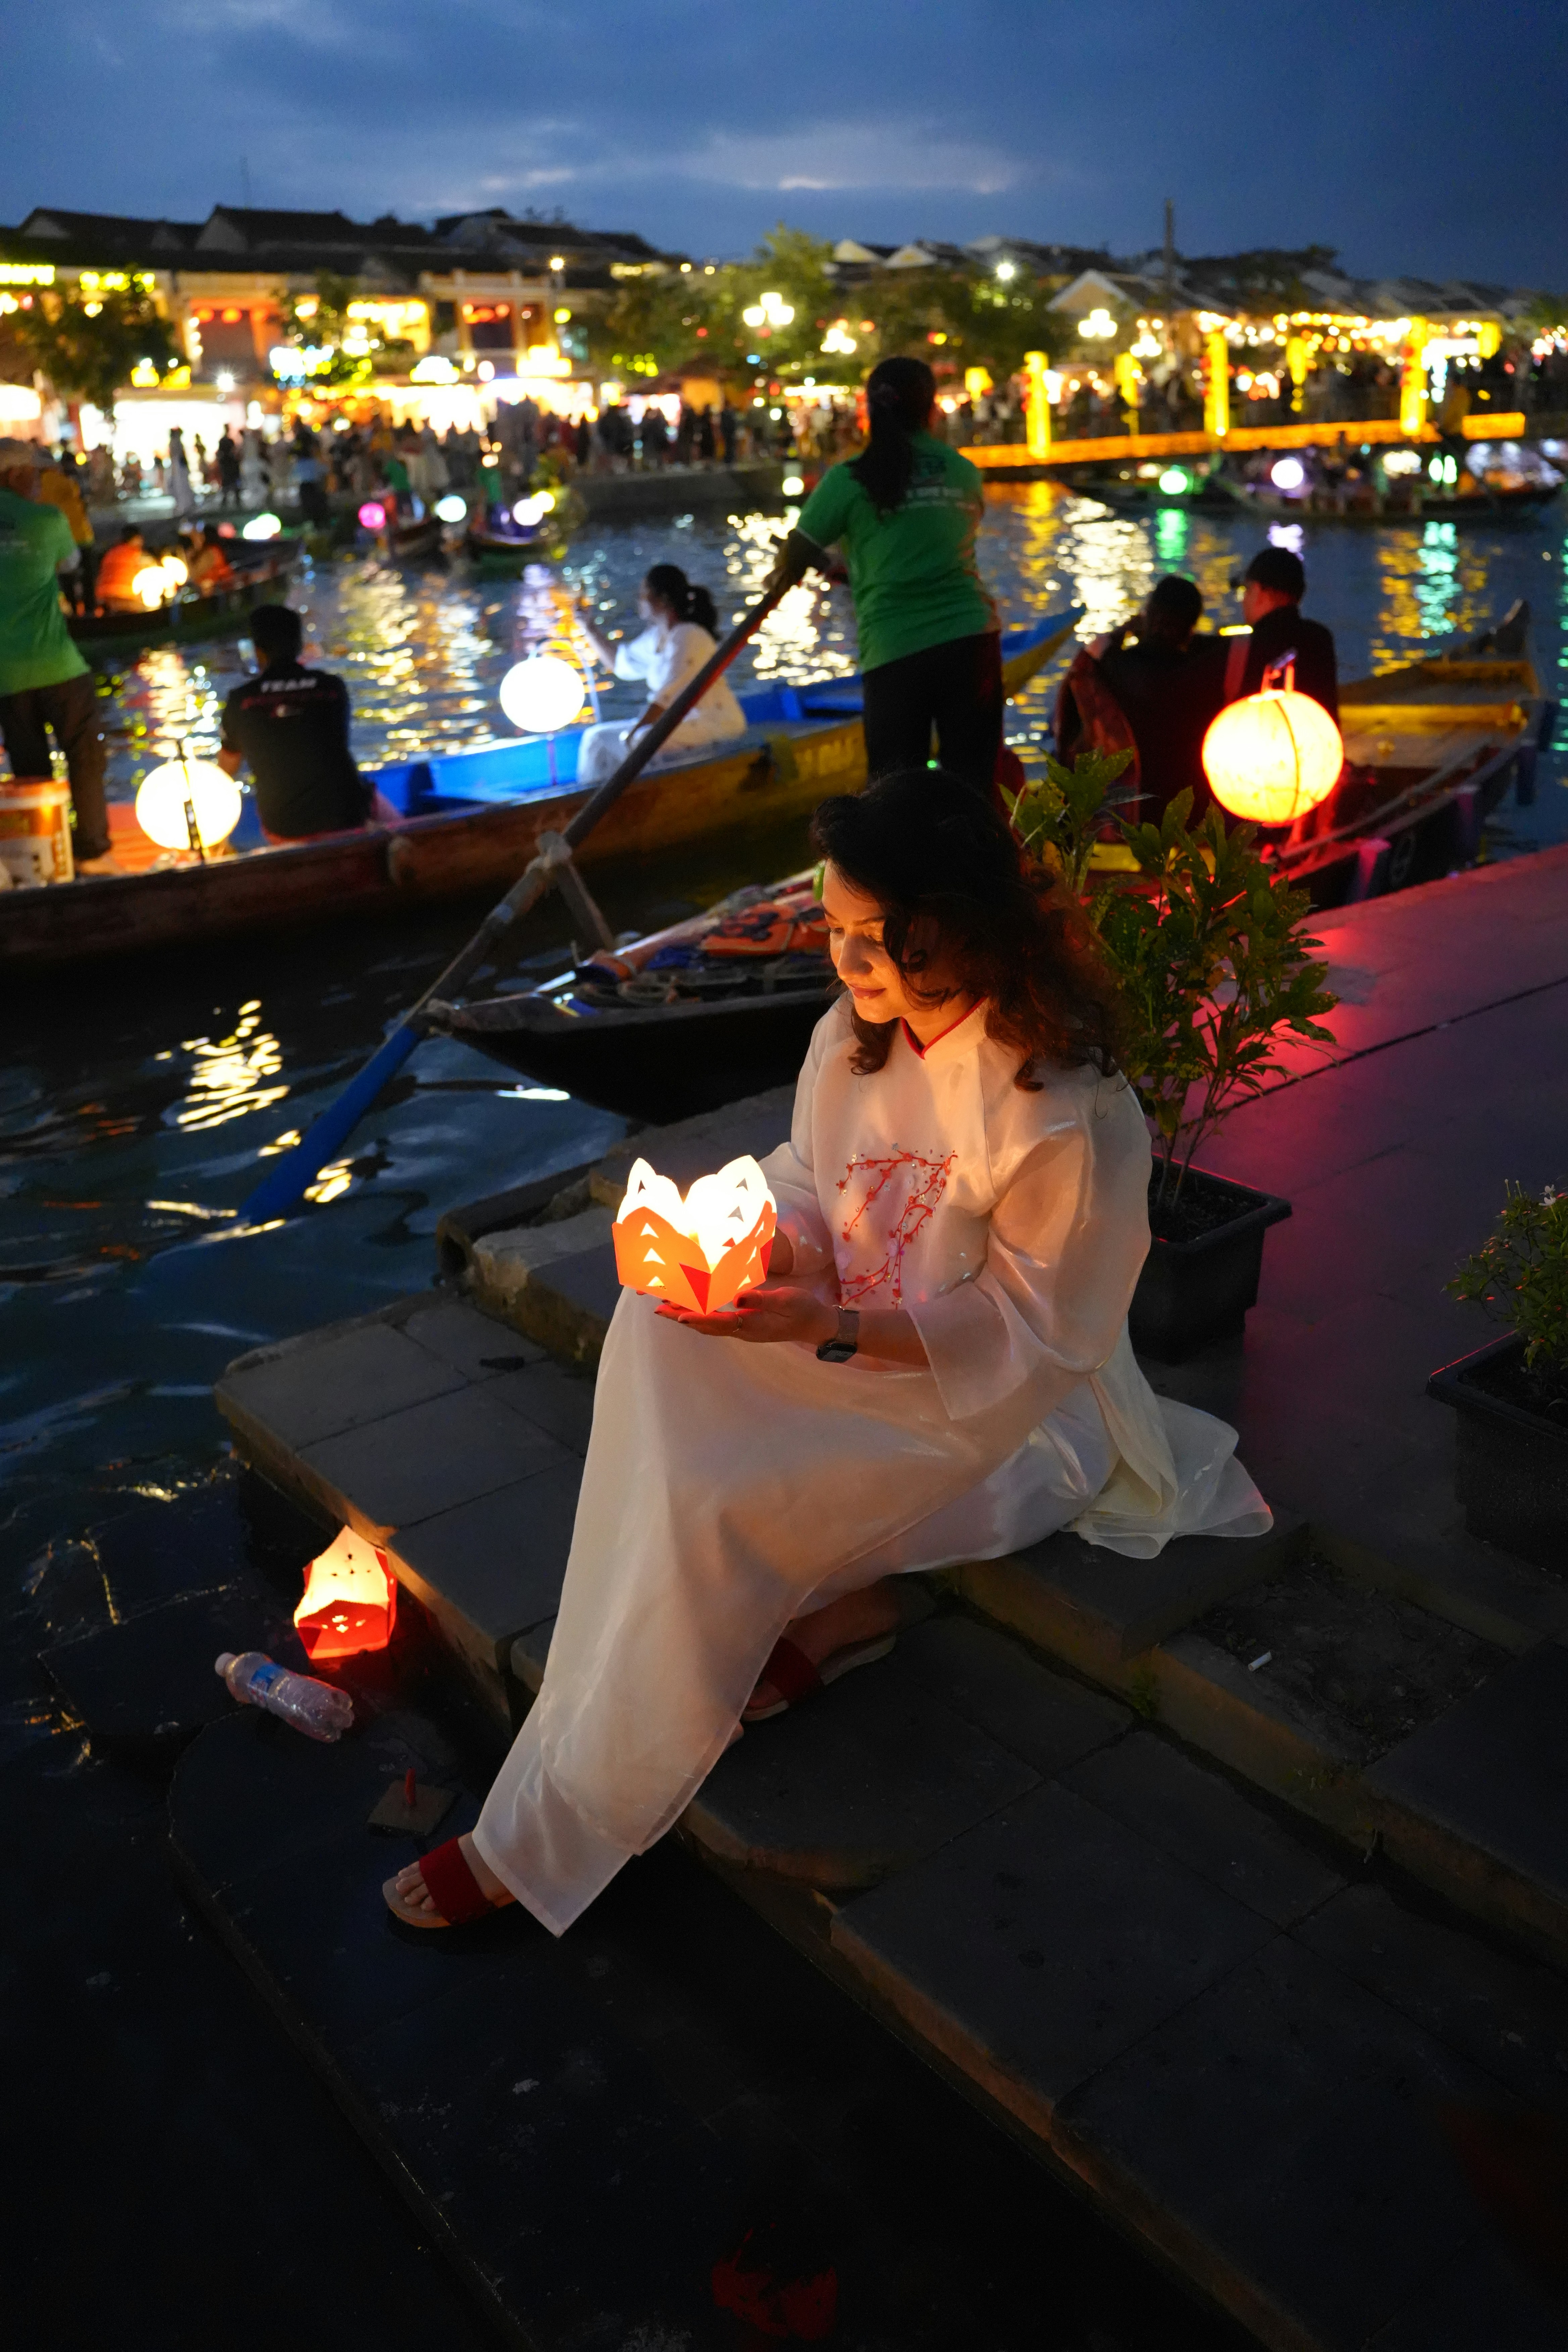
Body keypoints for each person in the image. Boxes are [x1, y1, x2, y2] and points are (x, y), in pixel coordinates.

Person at [383, 768, 1269, 1933]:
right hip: (851, 1336)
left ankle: (550, 1832)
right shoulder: (856, 1034)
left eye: (875, 933)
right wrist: (771, 1247)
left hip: (996, 1417)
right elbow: (811, 1175)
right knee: (659, 1325)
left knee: (716, 1505)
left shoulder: (1063, 1105)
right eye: (835, 925)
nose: (845, 959)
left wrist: (830, 1324)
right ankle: (808, 1613)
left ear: (958, 920)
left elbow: (1037, 1332)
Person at [770, 355, 1001, 792]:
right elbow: (931, 541)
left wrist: (797, 567)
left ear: (869, 411)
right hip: (970, 639)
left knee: (894, 792)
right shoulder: (963, 471)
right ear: (931, 410)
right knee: (973, 787)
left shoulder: (849, 479)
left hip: (895, 646)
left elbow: (797, 550)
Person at [0, 437, 115, 872]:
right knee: (84, 756)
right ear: (15, 475)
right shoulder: (46, 519)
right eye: (34, 474)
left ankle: (46, 856)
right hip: (56, 664)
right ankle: (93, 852)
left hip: (6, 675)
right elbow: (68, 565)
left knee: (30, 769)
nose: (38, 482)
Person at [1057, 575, 1227, 824]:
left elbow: (1088, 657)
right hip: (1190, 808)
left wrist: (1123, 630)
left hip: (1126, 811)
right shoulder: (1203, 674)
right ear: (1191, 627)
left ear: (1150, 615)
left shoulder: (1116, 669)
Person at [572, 562, 746, 785]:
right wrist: (588, 627)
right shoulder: (656, 638)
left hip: (714, 723)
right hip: (678, 723)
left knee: (643, 739)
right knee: (596, 739)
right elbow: (620, 664)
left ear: (661, 600)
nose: (639, 599)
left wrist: (634, 733)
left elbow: (668, 698)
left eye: (644, 593)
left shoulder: (689, 635)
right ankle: (590, 796)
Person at [217, 603, 376, 839]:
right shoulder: (332, 688)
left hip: (284, 826)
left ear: (258, 651)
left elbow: (226, 770)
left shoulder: (241, 701)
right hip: (347, 816)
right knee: (372, 798)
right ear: (300, 645)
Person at [1229, 546, 1337, 720]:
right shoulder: (1321, 640)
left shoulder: (1243, 651)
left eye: (1245, 591)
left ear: (1258, 591)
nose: (1243, 601)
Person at [94, 525, 153, 610]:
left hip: (103, 598)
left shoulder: (111, 553)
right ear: (137, 538)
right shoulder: (138, 555)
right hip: (126, 597)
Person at [215, 427, 241, 510]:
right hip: (228, 465)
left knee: (231, 485)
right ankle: (230, 501)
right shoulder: (226, 442)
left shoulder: (226, 441)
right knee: (229, 485)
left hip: (229, 465)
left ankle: (235, 501)